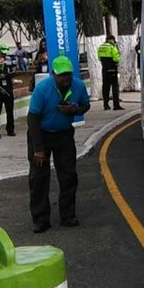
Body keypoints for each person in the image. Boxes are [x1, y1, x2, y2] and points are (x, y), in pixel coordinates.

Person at [27, 54, 90, 233]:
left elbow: (85, 106)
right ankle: (41, 220)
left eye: (68, 74)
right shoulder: (43, 88)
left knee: (69, 176)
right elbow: (32, 118)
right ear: (53, 74)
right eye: (62, 75)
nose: (66, 78)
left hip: (64, 136)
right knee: (39, 178)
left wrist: (75, 110)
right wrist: (38, 149)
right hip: (40, 135)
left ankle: (68, 216)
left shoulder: (78, 86)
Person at [97, 34, 123, 110]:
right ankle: (116, 105)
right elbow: (116, 59)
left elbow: (99, 58)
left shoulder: (100, 47)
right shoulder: (112, 47)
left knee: (105, 87)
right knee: (115, 87)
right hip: (112, 69)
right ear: (111, 40)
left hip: (104, 69)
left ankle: (106, 105)